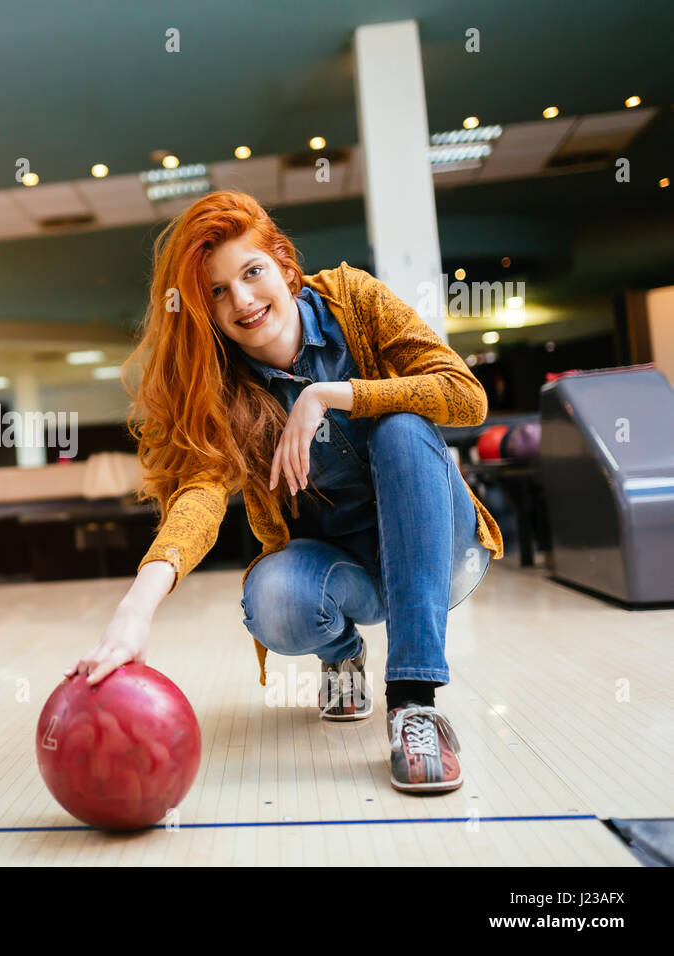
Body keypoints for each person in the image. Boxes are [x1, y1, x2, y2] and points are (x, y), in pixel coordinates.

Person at [70, 191, 503, 794]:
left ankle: (414, 705)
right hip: (345, 575)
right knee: (271, 596)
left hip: (438, 553)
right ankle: (343, 653)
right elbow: (198, 496)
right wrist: (135, 609)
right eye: (217, 291)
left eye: (252, 272)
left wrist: (334, 395)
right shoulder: (221, 388)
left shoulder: (354, 300)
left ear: (284, 264)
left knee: (403, 428)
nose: (242, 300)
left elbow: (465, 395)